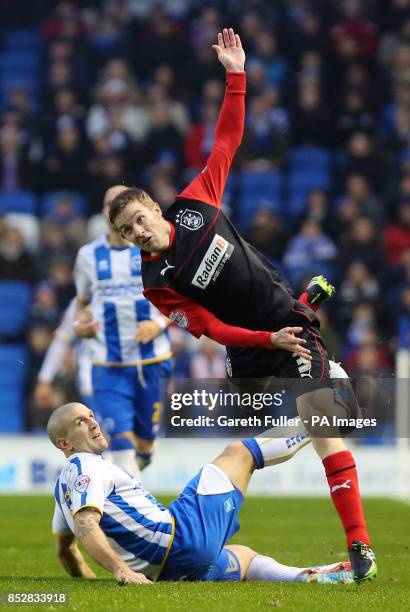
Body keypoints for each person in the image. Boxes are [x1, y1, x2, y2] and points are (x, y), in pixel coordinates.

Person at [108, 29, 377, 582]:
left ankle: (360, 549)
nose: (139, 232)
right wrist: (265, 341)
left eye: (139, 219)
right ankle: (329, 381)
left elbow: (227, 141)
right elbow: (211, 326)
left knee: (319, 421)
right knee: (259, 442)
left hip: (286, 324)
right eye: (127, 231)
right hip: (249, 350)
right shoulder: (155, 281)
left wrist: (236, 75)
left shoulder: (194, 206)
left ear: (156, 208)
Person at [48, 402, 353, 585]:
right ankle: (326, 413)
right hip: (180, 538)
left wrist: (89, 584)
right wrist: (121, 571)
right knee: (238, 454)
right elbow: (87, 525)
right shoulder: (85, 466)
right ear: (65, 444)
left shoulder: (64, 486)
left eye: (90, 415)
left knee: (243, 557)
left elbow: (66, 551)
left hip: (173, 569)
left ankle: (308, 575)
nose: (93, 422)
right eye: (80, 422)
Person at [73, 186, 172, 477]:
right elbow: (82, 305)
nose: (113, 208)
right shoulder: (88, 256)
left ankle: (136, 470)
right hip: (108, 364)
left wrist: (158, 324)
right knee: (120, 443)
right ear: (104, 213)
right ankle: (134, 516)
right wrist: (83, 326)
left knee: (144, 448)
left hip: (153, 362)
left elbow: (182, 299)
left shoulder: (151, 247)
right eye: (108, 204)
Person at [34, 297, 94, 412]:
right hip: (91, 384)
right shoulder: (81, 301)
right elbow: (62, 339)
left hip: (131, 374)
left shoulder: (134, 292)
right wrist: (44, 380)